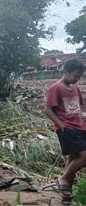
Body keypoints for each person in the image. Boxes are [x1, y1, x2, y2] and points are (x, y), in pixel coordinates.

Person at [45, 58, 85, 196]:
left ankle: (66, 190)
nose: (77, 79)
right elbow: (48, 110)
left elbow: (78, 108)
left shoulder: (75, 88)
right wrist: (62, 126)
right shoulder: (56, 88)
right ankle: (64, 179)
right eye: (75, 76)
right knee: (84, 156)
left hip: (80, 127)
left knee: (73, 157)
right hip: (67, 128)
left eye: (79, 77)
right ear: (66, 72)